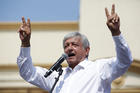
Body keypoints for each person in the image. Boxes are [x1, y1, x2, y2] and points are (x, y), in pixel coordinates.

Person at [17, 4, 133, 93]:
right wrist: (25, 42)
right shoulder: (57, 77)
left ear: (87, 50)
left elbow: (124, 61)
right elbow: (27, 72)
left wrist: (116, 32)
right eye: (66, 46)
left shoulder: (99, 69)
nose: (69, 48)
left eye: (74, 45)